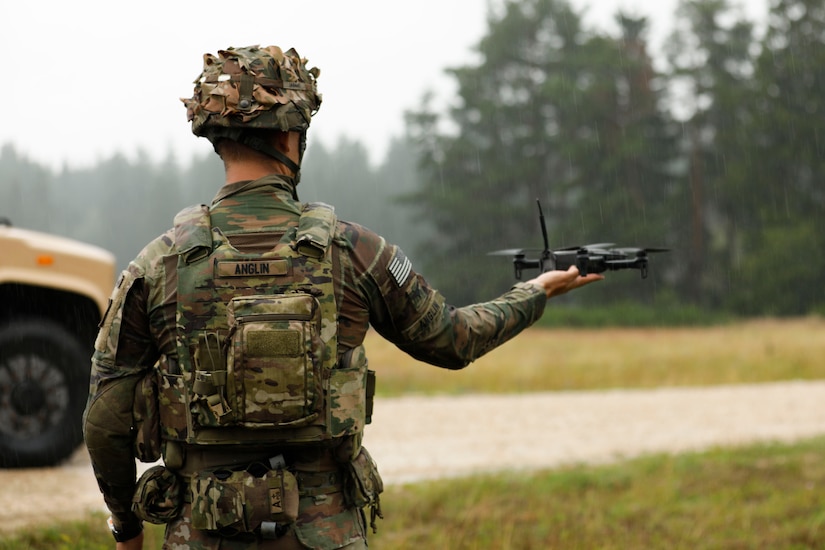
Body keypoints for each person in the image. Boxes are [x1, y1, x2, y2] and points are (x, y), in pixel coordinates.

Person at [83, 44, 603, 550]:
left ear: (219, 139)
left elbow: (105, 419)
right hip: (325, 533)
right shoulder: (355, 251)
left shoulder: (159, 263)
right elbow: (453, 340)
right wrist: (534, 292)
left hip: (203, 533)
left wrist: (126, 526)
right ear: (291, 134)